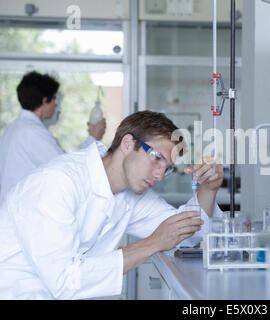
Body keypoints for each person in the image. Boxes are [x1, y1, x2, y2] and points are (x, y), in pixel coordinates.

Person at [0, 110, 224, 299]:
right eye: (156, 157)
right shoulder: (58, 183)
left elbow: (185, 233)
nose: (159, 174)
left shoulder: (130, 193)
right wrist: (152, 243)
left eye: (167, 168)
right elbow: (64, 282)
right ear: (128, 143)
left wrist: (209, 188)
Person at [0, 71, 106, 203]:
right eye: (55, 98)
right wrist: (93, 137)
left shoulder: (15, 128)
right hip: (20, 210)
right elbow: (67, 167)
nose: (56, 105)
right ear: (45, 101)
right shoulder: (32, 132)